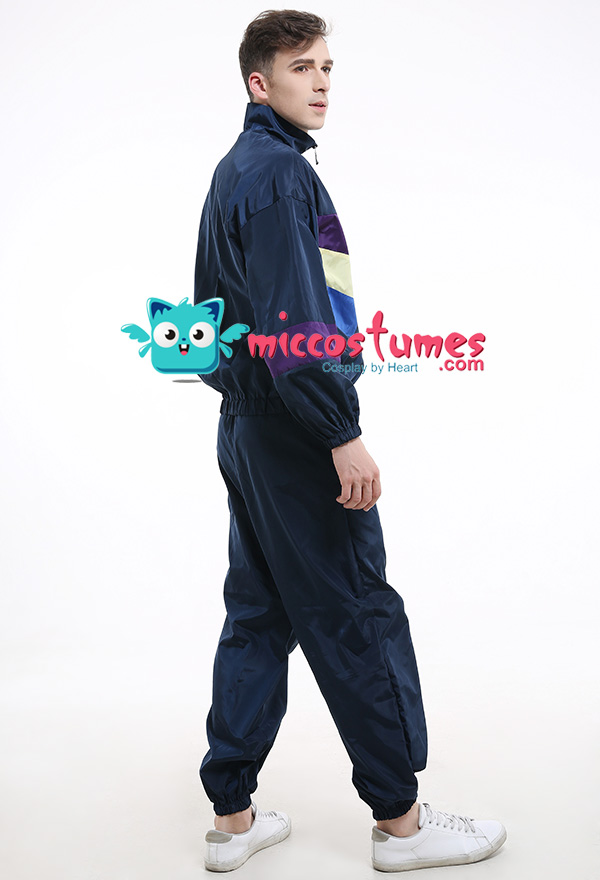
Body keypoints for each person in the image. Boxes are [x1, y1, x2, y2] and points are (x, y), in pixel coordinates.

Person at [193, 9, 507, 874]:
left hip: (248, 428)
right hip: (295, 432)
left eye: (328, 66)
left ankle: (232, 821)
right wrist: (340, 432)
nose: (323, 81)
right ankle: (402, 825)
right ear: (260, 83)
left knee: (258, 615)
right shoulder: (278, 177)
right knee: (356, 612)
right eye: (302, 67)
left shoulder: (238, 169)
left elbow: (225, 317)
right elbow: (294, 320)